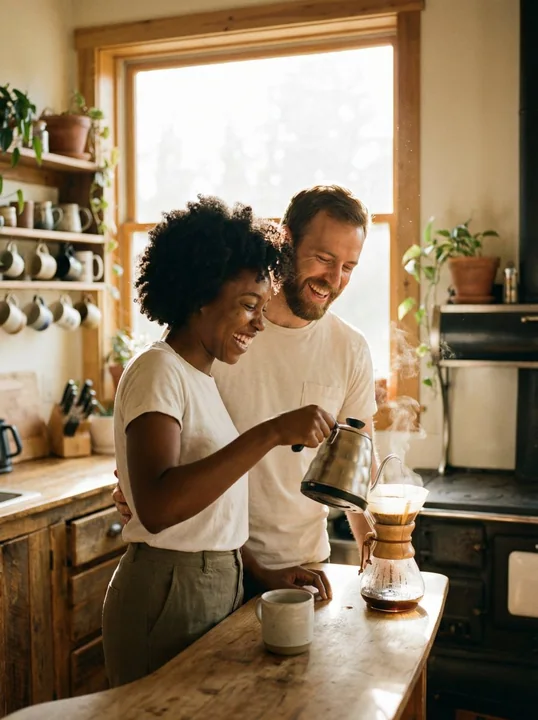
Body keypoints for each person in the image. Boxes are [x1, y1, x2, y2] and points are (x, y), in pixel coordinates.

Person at [103, 195, 335, 688]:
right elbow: (159, 506)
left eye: (261, 306)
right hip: (168, 592)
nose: (259, 321)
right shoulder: (156, 371)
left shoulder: (198, 378)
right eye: (249, 306)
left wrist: (260, 576)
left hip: (214, 581)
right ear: (200, 297)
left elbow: (211, 520)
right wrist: (271, 432)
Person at [113, 184, 377, 599]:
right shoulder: (217, 335)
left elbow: (357, 464)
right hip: (220, 563)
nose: (334, 278)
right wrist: (133, 486)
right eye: (324, 259)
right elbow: (163, 447)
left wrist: (375, 546)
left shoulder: (350, 347)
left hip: (304, 565)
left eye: (349, 267)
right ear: (286, 241)